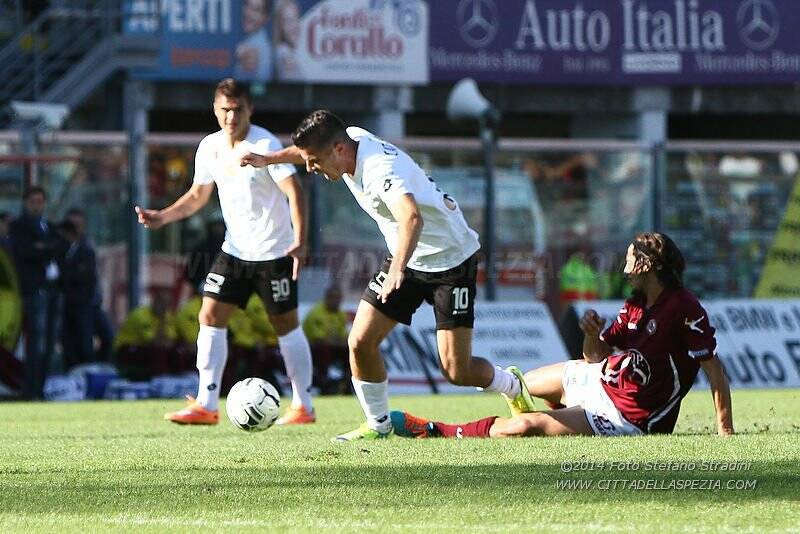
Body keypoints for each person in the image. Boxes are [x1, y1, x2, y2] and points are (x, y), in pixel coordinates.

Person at [240, 109, 530, 441]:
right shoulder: (349, 136)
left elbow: (412, 218)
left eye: (314, 161)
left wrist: (397, 269)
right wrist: (270, 158)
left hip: (451, 260)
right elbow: (306, 149)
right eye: (307, 160)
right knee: (360, 342)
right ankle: (379, 425)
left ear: (338, 150)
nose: (310, 168)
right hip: (406, 255)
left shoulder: (380, 169)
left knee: (456, 370)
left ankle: (512, 384)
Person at [391, 232, 735, 439]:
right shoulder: (635, 304)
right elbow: (595, 358)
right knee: (521, 384)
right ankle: (562, 412)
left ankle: (437, 431)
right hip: (603, 379)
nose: (624, 266)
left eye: (630, 259)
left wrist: (725, 430)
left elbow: (713, 368)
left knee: (527, 427)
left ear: (647, 264)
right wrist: (591, 335)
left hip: (628, 417)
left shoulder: (683, 306)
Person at [135, 78, 315, 425]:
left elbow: (296, 193)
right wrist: (162, 217)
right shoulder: (210, 147)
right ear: (215, 110)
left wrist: (301, 241)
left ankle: (304, 406)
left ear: (250, 109)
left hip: (274, 252)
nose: (231, 116)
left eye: (238, 109)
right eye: (225, 110)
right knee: (209, 316)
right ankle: (206, 403)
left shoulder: (264, 143)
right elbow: (197, 196)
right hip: (234, 251)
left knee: (285, 325)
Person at [9, 186, 65, 399]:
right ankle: (30, 390)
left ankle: (41, 390)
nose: (37, 205)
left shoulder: (48, 227)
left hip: (53, 290)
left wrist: (44, 247)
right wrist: (45, 248)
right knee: (36, 344)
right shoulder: (19, 226)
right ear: (25, 203)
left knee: (50, 344)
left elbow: (59, 247)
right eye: (33, 201)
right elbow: (27, 251)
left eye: (40, 201)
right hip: (35, 291)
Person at [114, 289, 184, 380]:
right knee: (157, 351)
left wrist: (163, 323)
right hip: (127, 348)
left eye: (167, 304)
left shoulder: (168, 316)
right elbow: (153, 341)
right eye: (161, 302)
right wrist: (162, 323)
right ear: (154, 301)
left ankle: (177, 379)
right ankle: (158, 379)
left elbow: (171, 340)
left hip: (146, 348)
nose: (163, 307)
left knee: (176, 351)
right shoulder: (140, 315)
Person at [303, 286, 350, 393]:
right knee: (323, 350)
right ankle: (323, 381)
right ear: (327, 298)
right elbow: (319, 340)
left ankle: (348, 381)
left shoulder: (340, 314)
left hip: (332, 347)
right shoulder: (317, 314)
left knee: (350, 351)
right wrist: (337, 340)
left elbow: (344, 337)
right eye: (334, 298)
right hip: (310, 349)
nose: (337, 301)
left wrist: (340, 341)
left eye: (339, 298)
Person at [234, 0, 273, 81]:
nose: (248, 13)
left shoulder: (260, 48)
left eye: (255, 10)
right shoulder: (249, 41)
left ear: (265, 18)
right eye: (247, 5)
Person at [274, 0, 302, 81]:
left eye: (296, 18)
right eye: (288, 21)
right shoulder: (284, 57)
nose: (294, 26)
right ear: (279, 26)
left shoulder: (289, 54)